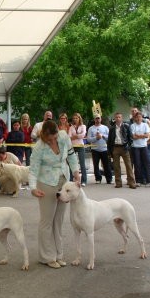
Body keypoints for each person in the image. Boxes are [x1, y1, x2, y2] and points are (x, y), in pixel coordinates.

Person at [30, 120, 80, 268]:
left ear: (58, 132)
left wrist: (76, 171)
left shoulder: (64, 137)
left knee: (58, 221)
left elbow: (71, 155)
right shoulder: (38, 147)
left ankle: (59, 255)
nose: (53, 141)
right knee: (47, 221)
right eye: (49, 139)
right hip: (46, 183)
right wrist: (33, 188)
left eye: (54, 137)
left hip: (63, 181)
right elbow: (33, 169)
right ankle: (47, 257)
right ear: (43, 135)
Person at [107, 112, 136, 189]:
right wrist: (109, 151)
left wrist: (128, 146)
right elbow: (109, 140)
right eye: (116, 117)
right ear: (114, 118)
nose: (118, 119)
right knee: (116, 166)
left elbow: (131, 137)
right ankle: (118, 183)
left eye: (119, 117)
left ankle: (131, 182)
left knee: (128, 166)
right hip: (115, 147)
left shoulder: (126, 126)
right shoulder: (112, 128)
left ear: (122, 118)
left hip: (124, 147)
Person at [130, 112, 150, 186]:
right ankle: (138, 181)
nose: (138, 118)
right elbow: (133, 136)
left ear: (142, 118)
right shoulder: (132, 126)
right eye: (137, 117)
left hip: (144, 146)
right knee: (137, 164)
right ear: (135, 118)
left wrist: (139, 135)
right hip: (135, 147)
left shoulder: (145, 125)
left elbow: (147, 135)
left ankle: (149, 181)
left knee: (147, 163)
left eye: (140, 117)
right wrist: (142, 135)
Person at [86, 115, 112, 184]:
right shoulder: (91, 128)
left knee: (106, 165)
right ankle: (98, 178)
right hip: (95, 149)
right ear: (94, 119)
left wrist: (102, 136)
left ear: (101, 119)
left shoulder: (105, 127)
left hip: (104, 149)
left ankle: (109, 179)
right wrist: (96, 138)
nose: (97, 120)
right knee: (96, 165)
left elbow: (109, 137)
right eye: (96, 118)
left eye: (98, 118)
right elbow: (88, 139)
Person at [68, 113, 87, 186]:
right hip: (72, 146)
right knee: (71, 163)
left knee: (82, 164)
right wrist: (77, 136)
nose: (75, 119)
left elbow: (83, 135)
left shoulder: (83, 126)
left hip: (80, 146)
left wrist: (75, 136)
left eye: (76, 118)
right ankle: (70, 179)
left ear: (79, 118)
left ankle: (84, 181)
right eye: (74, 118)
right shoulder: (71, 127)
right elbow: (69, 136)